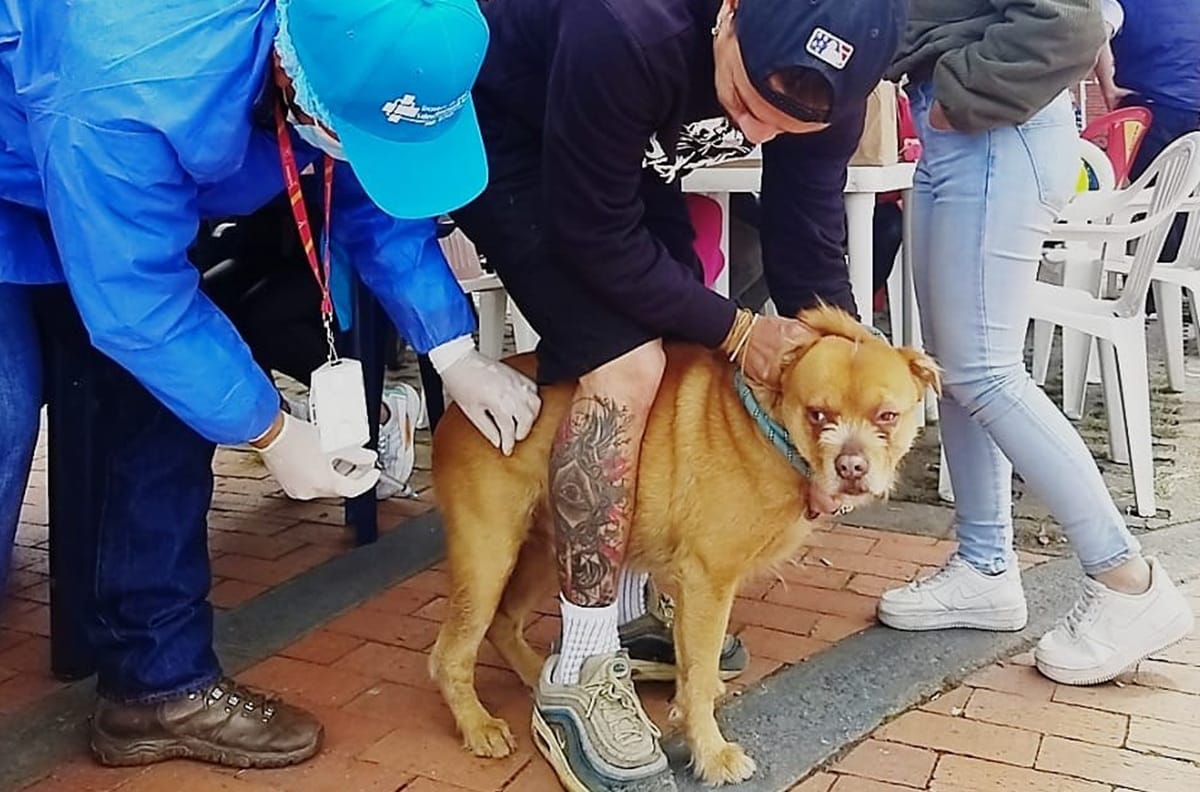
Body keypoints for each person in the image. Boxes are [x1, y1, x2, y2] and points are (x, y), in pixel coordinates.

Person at [0, 0, 540, 769]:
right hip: (37, 147)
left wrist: (455, 350)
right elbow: (138, 303)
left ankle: (157, 689)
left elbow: (372, 182)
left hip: (113, 171)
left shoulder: (354, 40)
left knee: (167, 405)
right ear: (292, 78)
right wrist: (272, 430)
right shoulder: (137, 74)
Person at [452, 0, 906, 788]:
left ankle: (634, 608)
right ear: (727, 17)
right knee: (627, 366)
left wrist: (838, 393)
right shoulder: (629, 25)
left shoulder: (836, 81)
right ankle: (583, 670)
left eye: (781, 129)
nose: (757, 137)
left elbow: (809, 247)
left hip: (622, 147)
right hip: (509, 130)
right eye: (742, 104)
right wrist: (738, 334)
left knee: (680, 321)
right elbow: (591, 229)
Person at [878, 0, 1195, 688]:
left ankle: (1128, 583)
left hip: (992, 125)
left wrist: (954, 97)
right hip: (966, 124)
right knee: (958, 368)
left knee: (983, 370)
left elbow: (1074, 20)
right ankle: (984, 565)